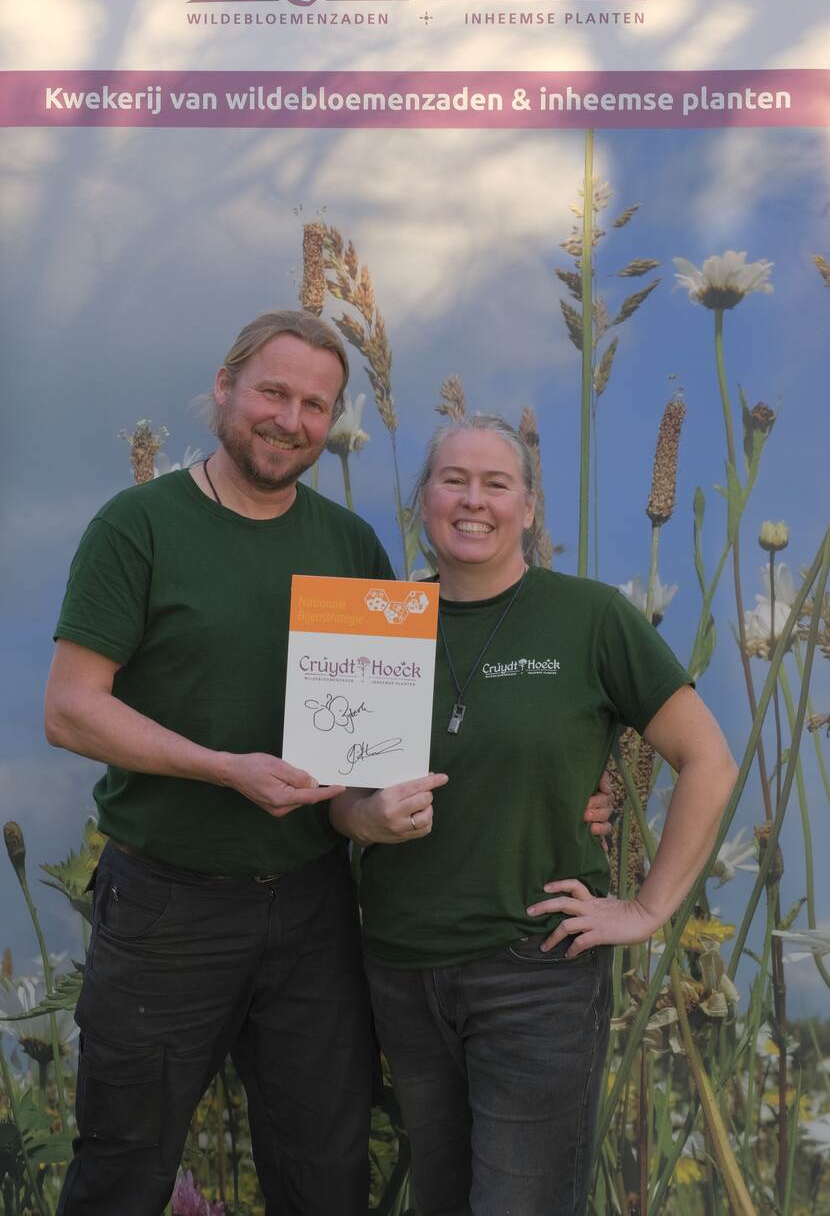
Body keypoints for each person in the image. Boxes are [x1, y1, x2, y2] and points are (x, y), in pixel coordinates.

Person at [45, 316, 612, 1216]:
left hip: (313, 907)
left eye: (316, 405)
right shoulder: (140, 525)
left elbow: (416, 727)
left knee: (326, 1173)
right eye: (274, 392)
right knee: (123, 1168)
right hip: (168, 907)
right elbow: (72, 708)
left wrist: (581, 784)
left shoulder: (353, 549)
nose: (291, 420)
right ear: (225, 386)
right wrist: (226, 768)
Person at [331, 414, 738, 1216]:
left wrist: (648, 907)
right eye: (453, 481)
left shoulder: (589, 617)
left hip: (534, 974)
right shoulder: (372, 624)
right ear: (423, 501)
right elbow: (332, 791)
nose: (473, 501)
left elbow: (709, 762)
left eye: (496, 483)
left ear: (529, 505)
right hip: (402, 971)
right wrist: (360, 817)